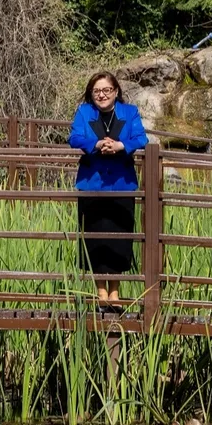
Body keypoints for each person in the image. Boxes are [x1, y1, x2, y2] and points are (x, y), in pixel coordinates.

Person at [68, 71, 149, 312]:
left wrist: (120, 145)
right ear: (91, 94)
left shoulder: (129, 112)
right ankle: (101, 295)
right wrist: (96, 144)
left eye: (106, 90)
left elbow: (141, 139)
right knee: (95, 239)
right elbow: (74, 138)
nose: (101, 95)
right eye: (96, 91)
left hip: (122, 185)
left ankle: (115, 295)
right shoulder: (84, 112)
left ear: (115, 91)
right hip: (91, 185)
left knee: (119, 240)